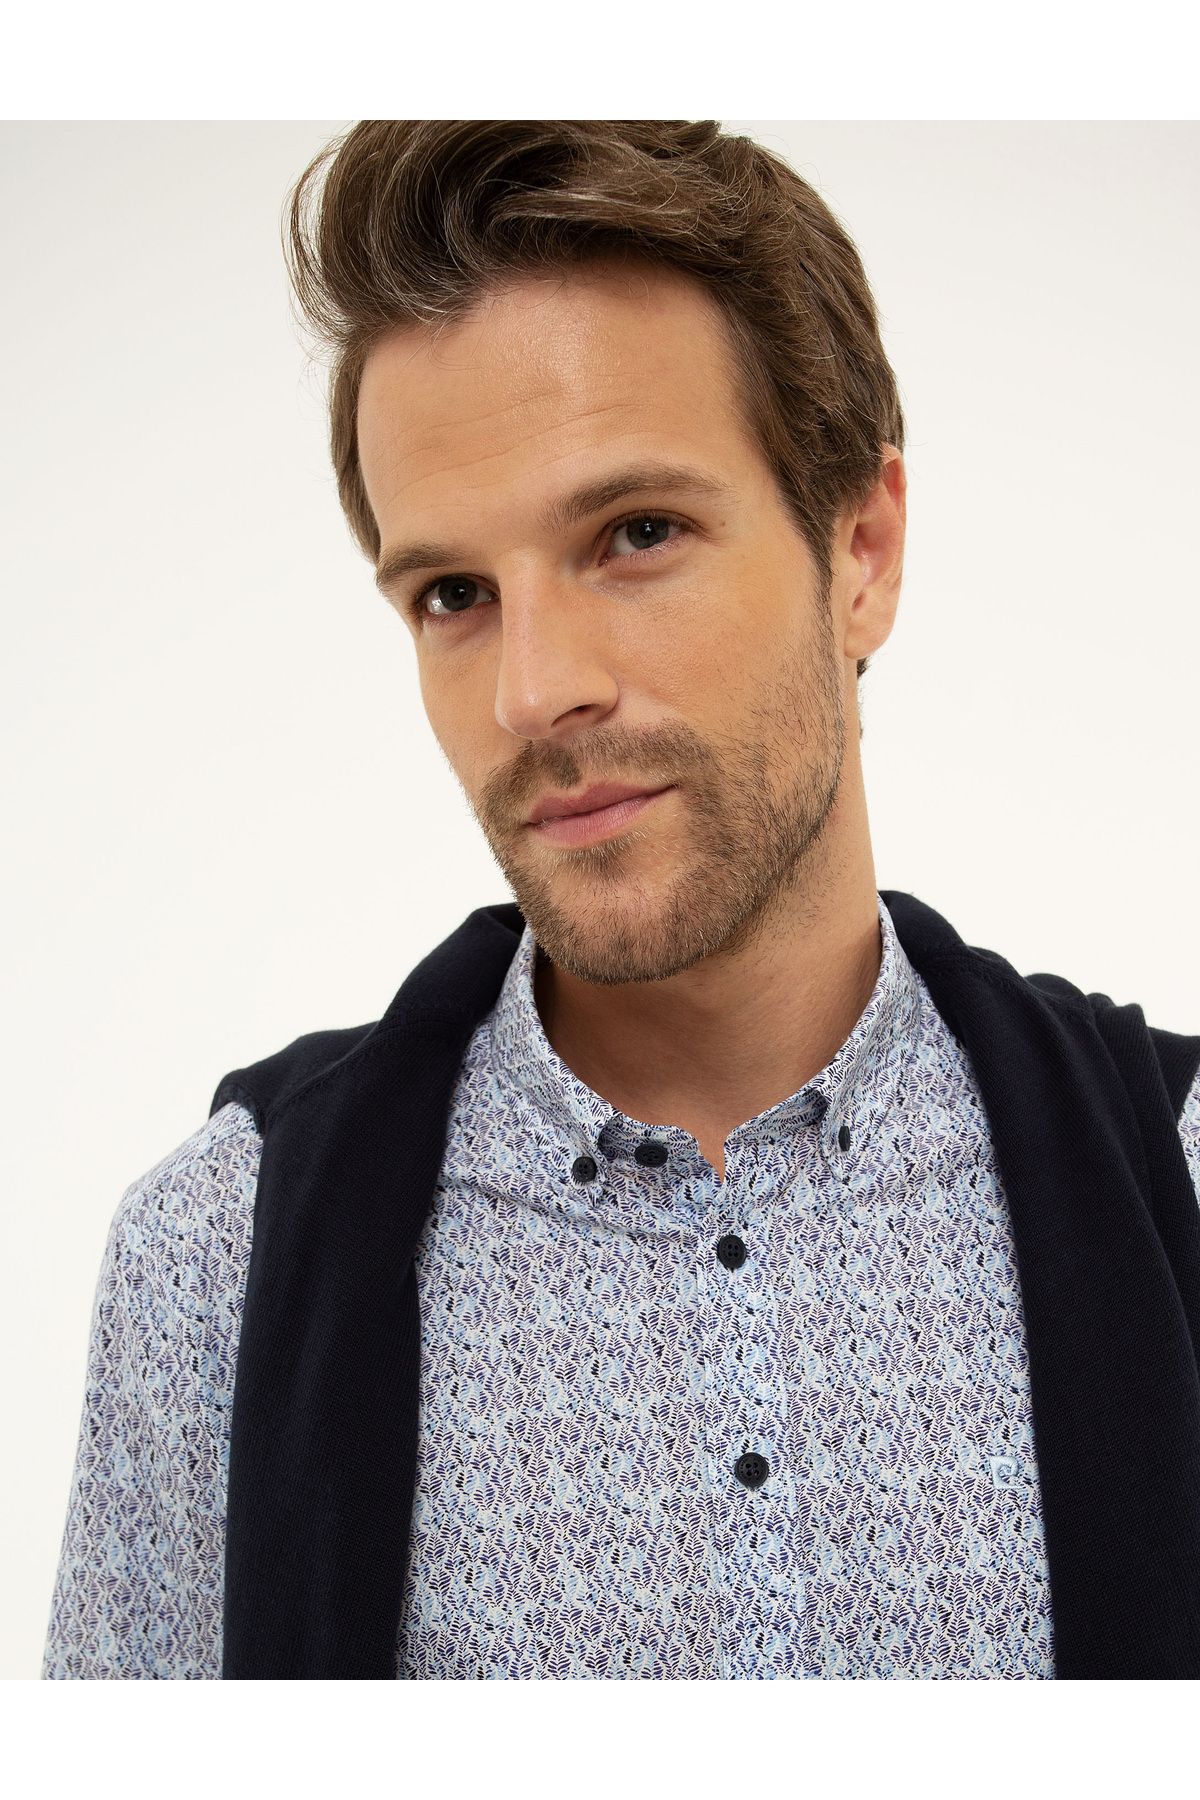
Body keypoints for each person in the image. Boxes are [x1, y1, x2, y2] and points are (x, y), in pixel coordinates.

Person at [44, 119, 1200, 1683]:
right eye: (454, 594)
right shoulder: (218, 1265)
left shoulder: (1177, 1180)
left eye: (636, 535)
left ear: (862, 550)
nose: (532, 692)